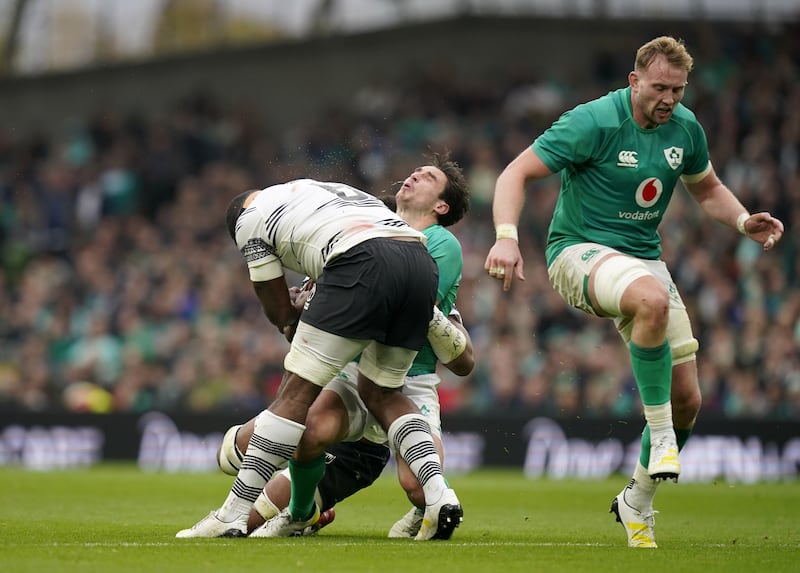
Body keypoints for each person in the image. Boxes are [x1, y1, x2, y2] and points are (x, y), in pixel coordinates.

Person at [484, 36, 784, 548]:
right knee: (651, 300)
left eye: (678, 89)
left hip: (643, 260)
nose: (669, 99)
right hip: (576, 252)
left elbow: (706, 187)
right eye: (660, 87)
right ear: (634, 81)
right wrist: (507, 239)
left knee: (688, 399)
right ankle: (661, 437)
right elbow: (517, 172)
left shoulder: (686, 128)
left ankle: (637, 498)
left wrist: (740, 219)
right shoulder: (594, 121)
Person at [177, 157, 467, 541]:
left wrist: (297, 313)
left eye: (428, 176)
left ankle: (233, 510)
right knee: (331, 418)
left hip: (398, 351)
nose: (412, 175)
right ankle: (434, 495)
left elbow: (281, 311)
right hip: (385, 313)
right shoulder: (348, 201)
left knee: (294, 397)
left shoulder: (252, 221)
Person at [216, 304, 473, 537]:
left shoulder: (423, 279)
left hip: (378, 429)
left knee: (420, 490)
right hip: (338, 401)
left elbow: (465, 361)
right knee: (237, 474)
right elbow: (296, 333)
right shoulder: (343, 267)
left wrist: (430, 311)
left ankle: (425, 505)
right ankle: (306, 511)